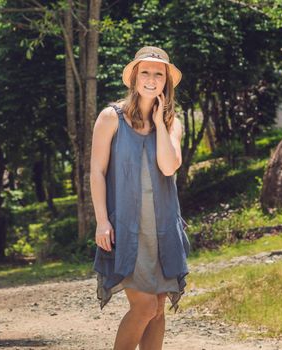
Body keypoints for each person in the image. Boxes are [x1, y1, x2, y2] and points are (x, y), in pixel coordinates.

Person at [90, 46, 190, 350]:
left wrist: (159, 123)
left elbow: (168, 166)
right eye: (144, 72)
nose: (151, 78)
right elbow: (97, 171)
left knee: (158, 312)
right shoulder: (111, 117)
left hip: (162, 231)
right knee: (145, 307)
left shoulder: (173, 124)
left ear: (166, 82)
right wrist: (101, 221)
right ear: (134, 77)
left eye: (158, 73)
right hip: (125, 229)